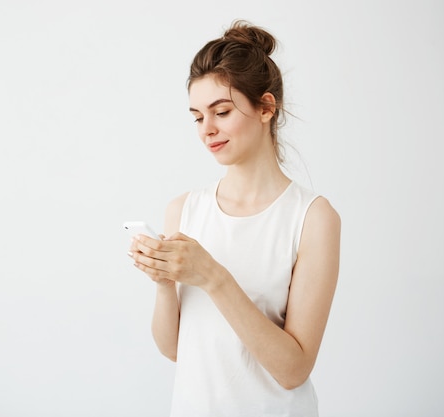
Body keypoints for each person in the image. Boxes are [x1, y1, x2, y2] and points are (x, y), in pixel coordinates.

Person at [128, 19, 341, 417]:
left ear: (266, 107)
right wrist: (163, 284)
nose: (207, 130)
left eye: (221, 112)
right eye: (197, 117)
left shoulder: (313, 218)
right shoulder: (184, 209)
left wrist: (213, 276)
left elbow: (294, 369)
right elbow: (175, 349)